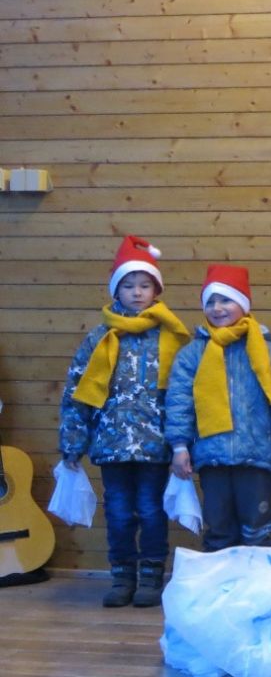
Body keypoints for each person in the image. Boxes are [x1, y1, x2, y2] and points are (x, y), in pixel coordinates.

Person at [59, 236, 191, 607]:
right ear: (116, 289)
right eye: (129, 285)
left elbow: (184, 395)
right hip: (111, 444)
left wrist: (184, 444)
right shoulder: (99, 338)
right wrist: (72, 443)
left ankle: (151, 574)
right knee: (118, 512)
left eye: (144, 285)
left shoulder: (170, 337)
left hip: (155, 445)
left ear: (156, 290)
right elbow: (77, 391)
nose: (136, 292)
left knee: (150, 509)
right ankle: (122, 575)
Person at [166, 264, 271, 554]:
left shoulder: (269, 354)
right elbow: (179, 402)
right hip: (211, 456)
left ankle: (257, 578)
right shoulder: (192, 355)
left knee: (257, 525)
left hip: (256, 454)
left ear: (243, 303)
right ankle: (221, 577)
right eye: (211, 301)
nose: (217, 308)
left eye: (226, 300)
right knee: (219, 526)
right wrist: (179, 446)